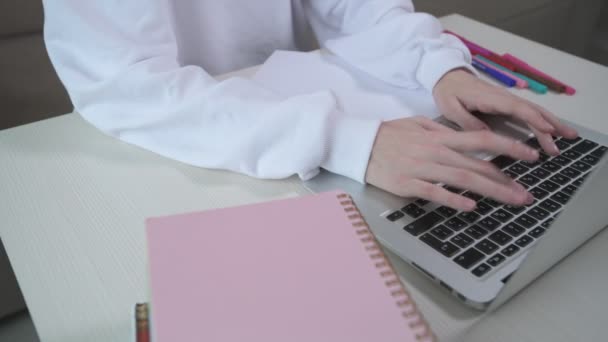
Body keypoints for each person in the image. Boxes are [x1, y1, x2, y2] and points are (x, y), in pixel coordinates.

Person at [42, 1, 577, 211]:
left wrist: (439, 67)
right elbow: (125, 85)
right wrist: (345, 139)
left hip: (302, 150)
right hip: (164, 162)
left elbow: (356, 7)